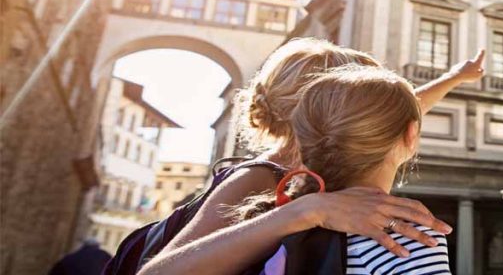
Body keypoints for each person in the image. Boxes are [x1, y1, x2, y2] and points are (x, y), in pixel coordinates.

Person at [136, 38, 482, 269]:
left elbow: (394, 114)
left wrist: (454, 78)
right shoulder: (259, 174)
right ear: (314, 105)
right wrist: (308, 209)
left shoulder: (311, 159)